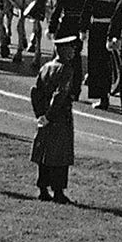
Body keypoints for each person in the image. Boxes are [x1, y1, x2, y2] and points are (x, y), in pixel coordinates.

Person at [32, 36, 80, 202]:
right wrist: (50, 115)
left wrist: (41, 115)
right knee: (60, 155)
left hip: (45, 115)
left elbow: (35, 92)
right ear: (64, 50)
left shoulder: (45, 67)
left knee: (44, 152)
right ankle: (58, 191)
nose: (74, 50)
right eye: (71, 47)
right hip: (59, 117)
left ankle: (43, 188)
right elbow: (60, 94)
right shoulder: (66, 69)